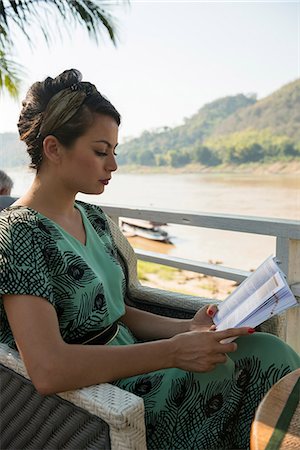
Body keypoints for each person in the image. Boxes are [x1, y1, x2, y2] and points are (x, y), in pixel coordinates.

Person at [0, 69, 299, 450]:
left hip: (141, 359)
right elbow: (47, 369)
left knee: (261, 349)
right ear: (54, 148)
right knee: (263, 361)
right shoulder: (17, 234)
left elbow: (117, 311)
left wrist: (185, 329)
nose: (113, 165)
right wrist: (172, 351)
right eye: (100, 151)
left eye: (114, 152)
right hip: (107, 394)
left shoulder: (92, 218)